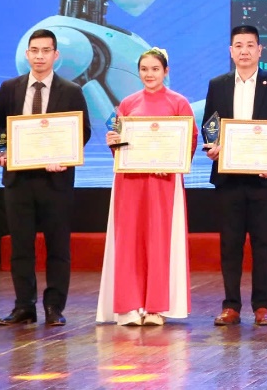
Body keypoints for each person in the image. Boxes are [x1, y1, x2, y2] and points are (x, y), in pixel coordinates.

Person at [0, 29, 92, 327]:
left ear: (56, 55)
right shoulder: (10, 88)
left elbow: (82, 131)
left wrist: (65, 156)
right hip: (18, 180)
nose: (40, 56)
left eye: (46, 51)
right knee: (21, 246)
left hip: (55, 180)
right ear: (27, 54)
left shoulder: (71, 90)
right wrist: (4, 149)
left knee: (58, 247)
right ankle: (24, 306)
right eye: (34, 50)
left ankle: (54, 307)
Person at [202, 25, 267, 327]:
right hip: (228, 178)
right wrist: (213, 146)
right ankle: (231, 306)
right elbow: (210, 125)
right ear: (231, 51)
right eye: (239, 45)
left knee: (263, 244)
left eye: (250, 45)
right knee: (230, 244)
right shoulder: (218, 84)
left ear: (260, 50)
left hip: (263, 179)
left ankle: (263, 306)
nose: (244, 51)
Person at [95, 48, 196, 325]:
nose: (149, 74)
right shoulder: (127, 104)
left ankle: (155, 307)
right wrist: (114, 143)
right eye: (144, 69)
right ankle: (129, 306)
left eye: (155, 69)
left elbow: (189, 140)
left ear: (166, 71)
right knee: (129, 240)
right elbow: (120, 142)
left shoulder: (179, 103)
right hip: (130, 182)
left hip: (163, 182)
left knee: (158, 240)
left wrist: (172, 162)